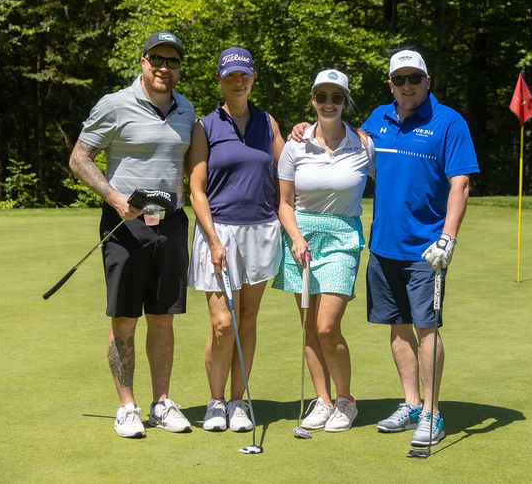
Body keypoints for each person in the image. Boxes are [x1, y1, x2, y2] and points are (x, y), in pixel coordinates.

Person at [289, 48, 479, 447]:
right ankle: (411, 404)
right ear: (391, 85)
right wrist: (304, 126)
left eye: (414, 78)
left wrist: (448, 237)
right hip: (383, 246)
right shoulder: (377, 121)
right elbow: (337, 134)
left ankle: (432, 412)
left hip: (427, 248)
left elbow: (460, 184)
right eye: (400, 79)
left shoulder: (449, 122)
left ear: (427, 81)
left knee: (426, 329)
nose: (407, 86)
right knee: (398, 327)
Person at [68, 31, 196, 438]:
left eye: (172, 61)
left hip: (170, 222)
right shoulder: (115, 104)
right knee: (124, 317)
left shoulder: (186, 109)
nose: (164, 67)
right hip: (126, 224)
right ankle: (127, 407)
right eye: (157, 59)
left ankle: (162, 403)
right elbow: (79, 157)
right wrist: (114, 198)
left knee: (163, 318)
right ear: (143, 61)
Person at [186, 47, 285, 434]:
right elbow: (196, 190)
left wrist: (308, 132)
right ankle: (216, 401)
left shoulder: (267, 123)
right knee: (223, 323)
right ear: (220, 80)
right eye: (230, 76)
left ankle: (238, 401)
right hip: (219, 231)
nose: (238, 81)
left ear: (253, 76)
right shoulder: (205, 126)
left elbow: (289, 168)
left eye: (244, 75)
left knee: (246, 319)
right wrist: (212, 238)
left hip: (261, 230)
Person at [274, 68, 374, 433]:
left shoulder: (364, 144)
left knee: (327, 326)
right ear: (313, 101)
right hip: (300, 238)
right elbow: (284, 203)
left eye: (336, 97)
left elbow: (394, 177)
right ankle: (323, 399)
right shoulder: (295, 145)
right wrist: (296, 237)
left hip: (342, 238)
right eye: (321, 97)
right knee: (309, 328)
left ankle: (345, 400)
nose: (328, 103)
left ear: (345, 102)